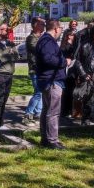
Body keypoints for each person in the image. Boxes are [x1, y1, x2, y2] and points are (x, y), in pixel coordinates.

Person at [35, 19, 68, 150]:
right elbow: (48, 59)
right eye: (61, 28)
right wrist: (64, 62)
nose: (61, 31)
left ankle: (45, 137)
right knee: (53, 111)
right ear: (56, 29)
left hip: (48, 79)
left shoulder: (46, 40)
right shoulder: (47, 41)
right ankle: (52, 140)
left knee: (47, 110)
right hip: (51, 80)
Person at [0, 23, 19, 132]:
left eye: (7, 29)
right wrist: (9, 52)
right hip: (0, 74)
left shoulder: (10, 42)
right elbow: (1, 57)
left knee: (5, 99)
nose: (5, 31)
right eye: (3, 29)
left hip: (10, 73)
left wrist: (9, 53)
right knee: (0, 99)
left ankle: (1, 122)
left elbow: (16, 56)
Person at [23, 17, 45, 125]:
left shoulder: (42, 37)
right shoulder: (31, 38)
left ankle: (38, 114)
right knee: (38, 92)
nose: (43, 26)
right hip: (35, 69)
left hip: (42, 69)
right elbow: (40, 50)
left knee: (40, 93)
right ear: (35, 25)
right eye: (41, 24)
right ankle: (28, 114)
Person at [59, 28, 78, 118]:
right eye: (73, 35)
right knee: (67, 91)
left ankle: (70, 110)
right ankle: (65, 111)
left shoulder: (74, 46)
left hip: (72, 71)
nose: (75, 37)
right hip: (67, 71)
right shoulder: (65, 46)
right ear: (69, 36)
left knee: (71, 91)